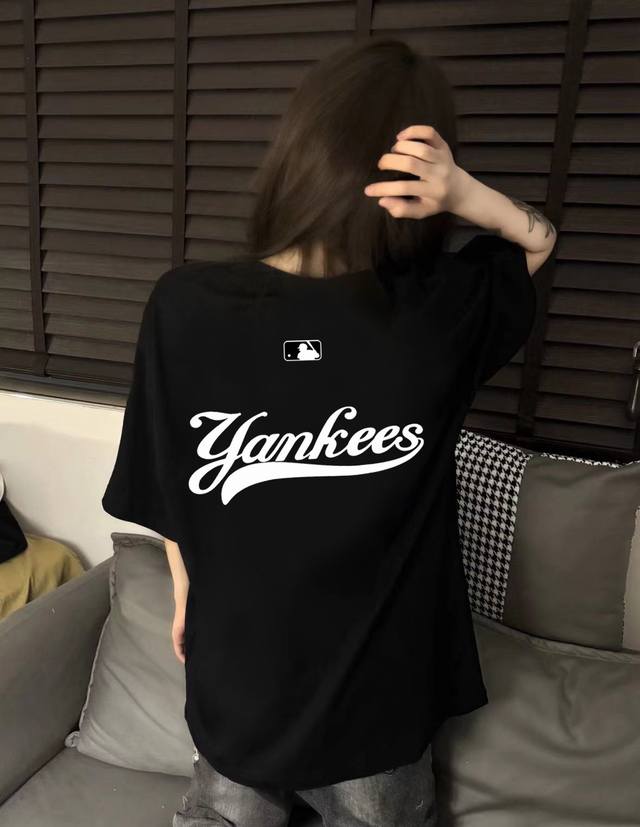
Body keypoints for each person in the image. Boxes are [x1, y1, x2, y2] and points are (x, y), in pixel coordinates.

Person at [101, 36, 556, 827]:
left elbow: (165, 477)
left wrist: (185, 586)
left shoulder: (186, 305)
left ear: (299, 149)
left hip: (266, 695)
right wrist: (466, 194)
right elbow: (538, 241)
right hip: (348, 709)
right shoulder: (432, 313)